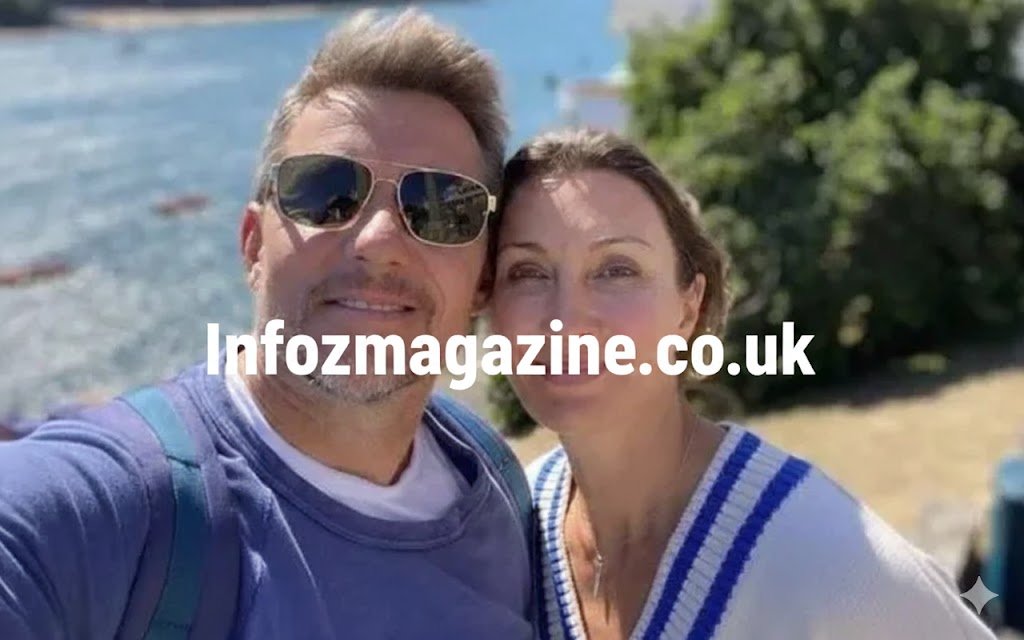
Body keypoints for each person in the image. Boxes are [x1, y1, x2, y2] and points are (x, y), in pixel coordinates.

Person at [0, 10, 534, 639]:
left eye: (441, 206)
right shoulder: (115, 510)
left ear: (482, 280)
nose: (379, 240)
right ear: (254, 245)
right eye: (327, 192)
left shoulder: (492, 482)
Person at [487, 127, 998, 639]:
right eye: (527, 272)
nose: (566, 320)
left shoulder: (834, 566)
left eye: (617, 269)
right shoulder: (505, 535)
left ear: (688, 308)